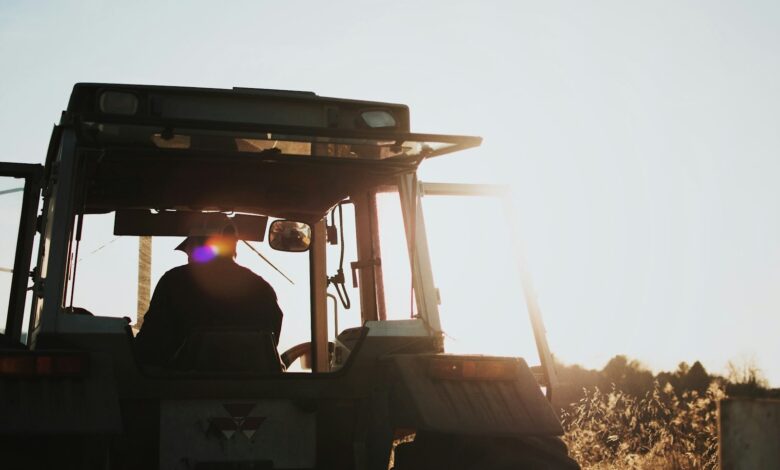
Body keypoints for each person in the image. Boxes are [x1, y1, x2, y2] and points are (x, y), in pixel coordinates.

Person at [134, 228, 283, 366]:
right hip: (254, 390)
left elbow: (149, 346)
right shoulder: (262, 288)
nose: (188, 258)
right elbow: (269, 345)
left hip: (180, 389)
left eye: (188, 251)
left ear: (197, 247)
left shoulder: (174, 281)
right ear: (233, 247)